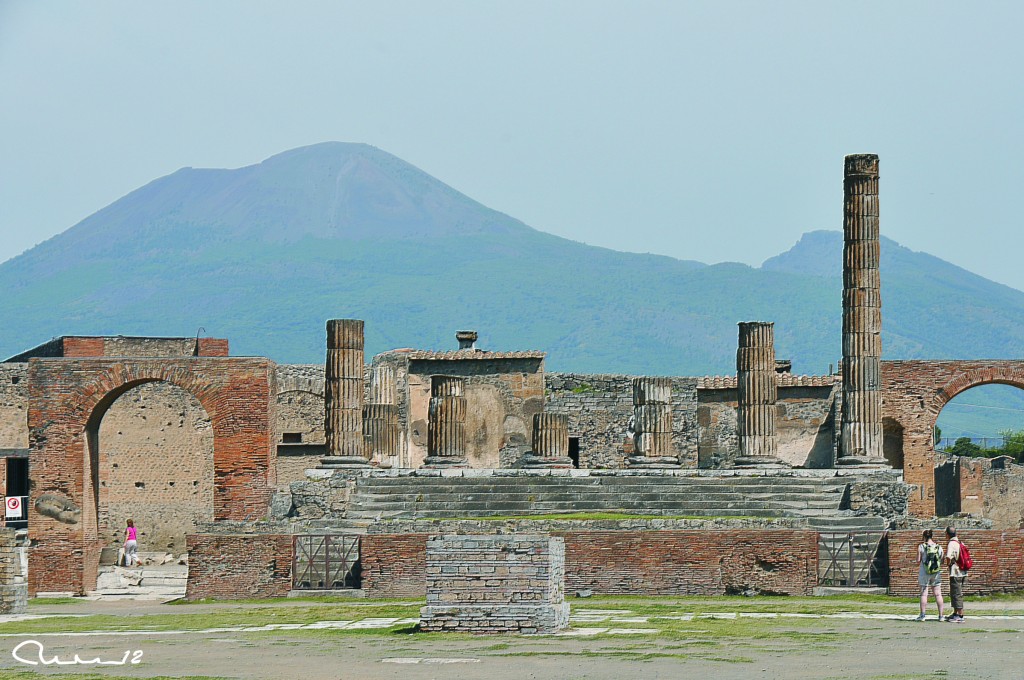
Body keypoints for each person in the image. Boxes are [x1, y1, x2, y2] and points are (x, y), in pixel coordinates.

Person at [915, 529, 944, 621]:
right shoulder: (939, 547)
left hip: (924, 572)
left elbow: (918, 561)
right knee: (938, 594)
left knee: (924, 594)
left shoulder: (921, 547)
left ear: (924, 537)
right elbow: (942, 560)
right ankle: (941, 616)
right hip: (936, 572)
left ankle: (922, 615)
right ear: (932, 536)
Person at [945, 526, 966, 622]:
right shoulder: (960, 542)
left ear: (948, 534)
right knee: (955, 593)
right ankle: (955, 613)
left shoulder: (951, 544)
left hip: (956, 572)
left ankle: (960, 615)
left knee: (956, 594)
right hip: (962, 571)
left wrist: (948, 564)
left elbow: (949, 556)